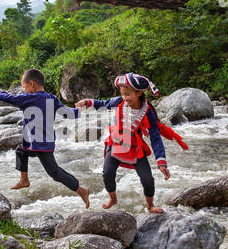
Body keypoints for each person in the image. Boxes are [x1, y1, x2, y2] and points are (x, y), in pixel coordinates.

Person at [75, 72, 188, 213]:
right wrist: (87, 102)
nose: (125, 98)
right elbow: (103, 103)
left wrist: (161, 162)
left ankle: (150, 205)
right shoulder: (118, 102)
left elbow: (155, 137)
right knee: (107, 173)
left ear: (139, 93)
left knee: (147, 179)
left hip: (134, 146)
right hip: (116, 142)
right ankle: (112, 198)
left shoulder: (148, 111)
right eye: (123, 94)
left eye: (128, 94)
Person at [0, 68, 90, 209]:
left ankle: (82, 190)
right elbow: (68, 114)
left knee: (54, 172)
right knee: (21, 151)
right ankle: (24, 179)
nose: (24, 90)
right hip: (43, 142)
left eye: (24, 86)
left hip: (38, 144)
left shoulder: (29, 98)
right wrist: (80, 110)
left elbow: (8, 97)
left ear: (32, 84)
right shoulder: (52, 98)